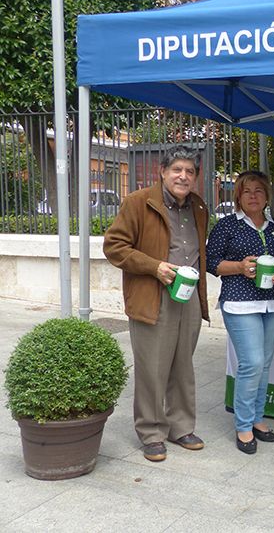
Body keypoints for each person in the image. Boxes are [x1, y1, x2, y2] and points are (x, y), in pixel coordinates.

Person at [104, 146, 209, 462]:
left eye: (189, 171)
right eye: (177, 169)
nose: (183, 176)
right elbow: (114, 246)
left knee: (183, 364)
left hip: (188, 295)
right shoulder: (139, 202)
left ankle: (181, 427)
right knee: (153, 367)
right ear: (162, 172)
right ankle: (151, 432)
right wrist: (154, 267)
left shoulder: (198, 206)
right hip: (153, 296)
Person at [206, 170, 274, 454]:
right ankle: (243, 424)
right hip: (240, 302)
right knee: (252, 363)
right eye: (247, 191)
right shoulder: (227, 226)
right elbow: (210, 262)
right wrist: (239, 267)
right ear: (238, 196)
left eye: (259, 190)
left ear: (267, 195)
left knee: (265, 364)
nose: (253, 196)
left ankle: (257, 418)